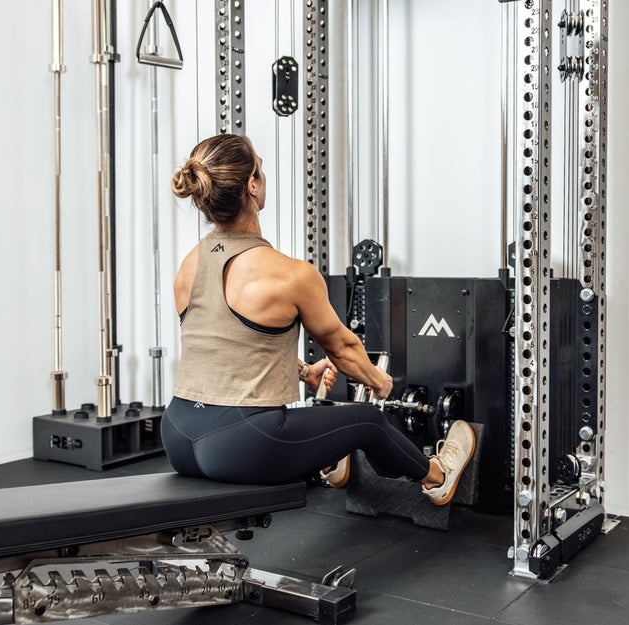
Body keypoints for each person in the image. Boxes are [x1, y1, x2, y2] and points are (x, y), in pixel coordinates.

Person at [161, 133, 475, 505]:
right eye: (260, 168)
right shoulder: (291, 274)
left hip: (178, 436)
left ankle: (330, 460)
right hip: (243, 446)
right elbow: (343, 349)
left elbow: (226, 344)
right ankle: (438, 477)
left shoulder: (189, 265)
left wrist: (302, 371)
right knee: (369, 420)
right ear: (252, 186)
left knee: (314, 420)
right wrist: (379, 382)